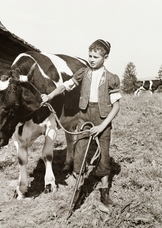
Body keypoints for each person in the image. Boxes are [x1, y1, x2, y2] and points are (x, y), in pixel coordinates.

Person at [41, 39, 121, 208]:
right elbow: (64, 86)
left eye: (96, 57)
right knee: (79, 153)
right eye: (90, 56)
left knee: (103, 156)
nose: (91, 59)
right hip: (84, 116)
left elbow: (116, 107)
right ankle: (80, 188)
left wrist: (101, 126)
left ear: (105, 57)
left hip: (102, 119)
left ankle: (104, 192)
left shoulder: (112, 78)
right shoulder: (82, 73)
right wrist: (49, 96)